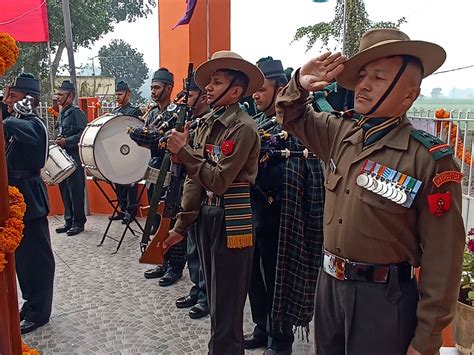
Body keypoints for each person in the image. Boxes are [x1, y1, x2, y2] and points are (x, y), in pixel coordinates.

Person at [276, 28, 465, 355]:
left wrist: (427, 337)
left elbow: (443, 255)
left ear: (409, 95)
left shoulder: (427, 158)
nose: (362, 84)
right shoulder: (339, 133)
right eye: (362, 75)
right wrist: (299, 83)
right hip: (329, 288)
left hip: (383, 299)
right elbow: (290, 115)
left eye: (378, 77)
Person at [164, 50, 264, 354]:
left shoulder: (243, 127)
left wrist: (185, 152)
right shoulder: (208, 122)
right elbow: (196, 178)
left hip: (232, 219)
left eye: (216, 82)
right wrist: (182, 224)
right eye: (208, 81)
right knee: (215, 297)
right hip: (208, 214)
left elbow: (219, 180)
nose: (207, 87)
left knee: (228, 305)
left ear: (235, 91)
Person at [244, 57, 295, 353]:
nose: (256, 94)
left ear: (281, 88)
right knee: (254, 275)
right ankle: (262, 327)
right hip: (255, 212)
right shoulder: (259, 123)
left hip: (280, 215)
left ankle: (281, 339)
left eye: (262, 88)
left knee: (277, 278)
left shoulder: (294, 125)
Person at [3, 73, 55, 334]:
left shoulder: (33, 123)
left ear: (28, 99)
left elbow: (30, 136)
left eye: (13, 96)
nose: (8, 101)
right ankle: (30, 303)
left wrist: (8, 116)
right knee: (23, 259)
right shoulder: (15, 121)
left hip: (30, 196)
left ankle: (40, 311)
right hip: (14, 196)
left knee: (37, 258)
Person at [140, 68, 187, 287]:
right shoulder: (150, 113)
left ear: (169, 88)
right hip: (154, 170)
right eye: (152, 88)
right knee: (157, 218)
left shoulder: (177, 113)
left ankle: (175, 267)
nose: (153, 91)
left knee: (170, 217)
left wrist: (153, 138)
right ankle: (161, 260)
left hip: (171, 171)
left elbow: (168, 142)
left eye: (157, 88)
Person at [174, 74, 210, 319]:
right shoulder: (194, 122)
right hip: (190, 186)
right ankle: (198, 289)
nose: (186, 100)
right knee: (193, 245)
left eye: (190, 95)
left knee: (205, 249)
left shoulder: (210, 122)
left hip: (208, 190)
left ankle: (207, 296)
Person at [54, 80, 88, 236]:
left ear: (70, 96)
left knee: (75, 190)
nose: (58, 97)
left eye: (61, 94)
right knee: (65, 190)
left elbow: (83, 134)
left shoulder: (76, 112)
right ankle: (69, 221)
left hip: (74, 156)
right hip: (63, 156)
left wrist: (67, 141)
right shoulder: (62, 113)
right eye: (57, 94)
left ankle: (78, 223)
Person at [109, 80, 142, 224]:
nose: (117, 97)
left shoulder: (134, 111)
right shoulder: (115, 112)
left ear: (128, 94)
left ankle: (130, 212)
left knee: (130, 183)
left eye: (120, 94)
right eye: (116, 94)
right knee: (119, 183)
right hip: (118, 151)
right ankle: (122, 210)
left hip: (130, 150)